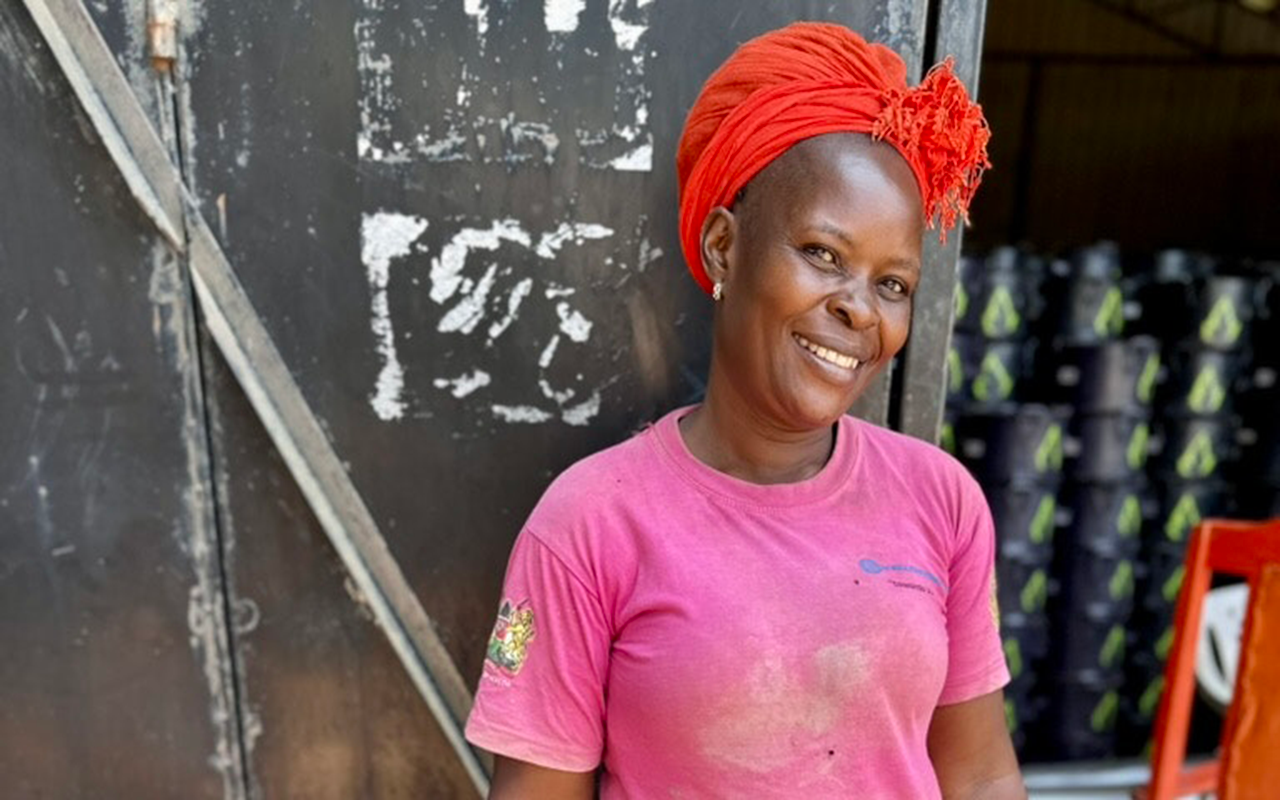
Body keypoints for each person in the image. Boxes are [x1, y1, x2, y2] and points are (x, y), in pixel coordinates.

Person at [465, 22, 1024, 799]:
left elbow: (981, 776)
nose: (860, 308)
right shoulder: (591, 524)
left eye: (892, 284)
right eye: (823, 254)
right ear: (725, 246)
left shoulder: (941, 501)